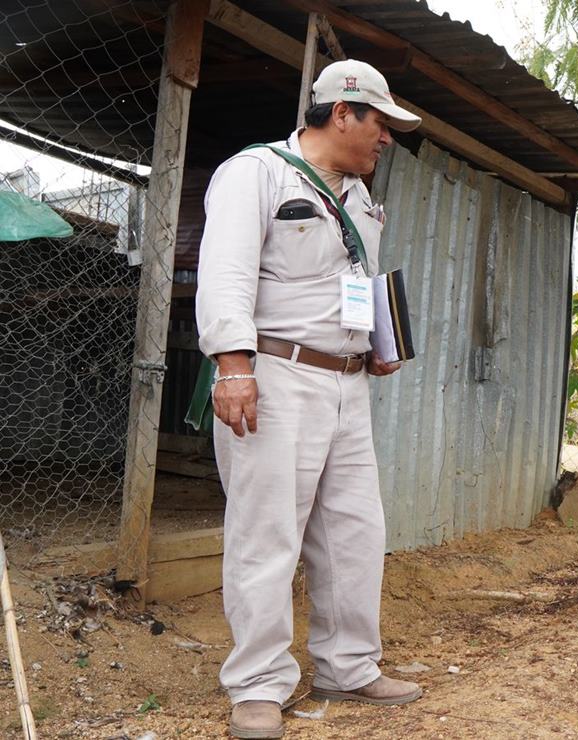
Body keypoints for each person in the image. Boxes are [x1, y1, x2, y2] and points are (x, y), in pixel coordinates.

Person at [196, 59, 423, 739]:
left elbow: (355, 280)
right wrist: (232, 368)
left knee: (355, 531)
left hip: (347, 381)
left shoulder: (361, 198)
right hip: (276, 374)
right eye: (380, 123)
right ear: (343, 112)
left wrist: (378, 341)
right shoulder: (256, 173)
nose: (387, 138)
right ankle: (257, 686)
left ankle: (347, 666)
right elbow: (226, 271)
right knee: (266, 533)